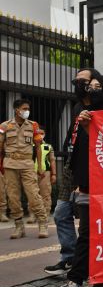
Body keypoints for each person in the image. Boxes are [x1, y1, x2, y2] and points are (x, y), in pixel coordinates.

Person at [50, 74, 103, 287]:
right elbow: (78, 151)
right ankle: (80, 285)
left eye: (98, 87)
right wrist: (81, 184)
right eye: (91, 87)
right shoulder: (85, 114)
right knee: (89, 237)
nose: (91, 90)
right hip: (89, 188)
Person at [44, 68, 100, 275]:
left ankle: (86, 263)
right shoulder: (77, 107)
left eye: (82, 81)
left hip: (89, 169)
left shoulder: (100, 108)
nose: (78, 85)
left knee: (88, 222)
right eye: (75, 81)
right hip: (71, 165)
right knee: (60, 213)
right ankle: (69, 258)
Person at [0, 99, 48, 239]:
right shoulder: (4, 126)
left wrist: (39, 166)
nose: (27, 111)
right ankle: (19, 226)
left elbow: (38, 148)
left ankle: (42, 223)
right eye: (24, 108)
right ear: (17, 110)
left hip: (27, 164)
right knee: (13, 197)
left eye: (28, 108)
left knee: (33, 195)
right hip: (10, 164)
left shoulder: (33, 126)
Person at [33, 126, 56, 218]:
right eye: (38, 133)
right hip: (32, 172)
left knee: (45, 194)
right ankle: (32, 215)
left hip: (45, 173)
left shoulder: (48, 146)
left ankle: (45, 214)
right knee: (33, 194)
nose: (40, 135)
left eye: (42, 133)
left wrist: (53, 174)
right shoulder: (31, 146)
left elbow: (52, 160)